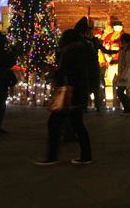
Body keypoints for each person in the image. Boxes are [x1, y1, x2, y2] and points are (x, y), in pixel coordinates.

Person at [35, 29, 92, 165]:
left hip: (69, 94)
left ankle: (52, 156)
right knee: (78, 125)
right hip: (78, 94)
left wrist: (55, 74)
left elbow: (66, 72)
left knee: (54, 124)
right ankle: (86, 155)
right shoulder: (82, 50)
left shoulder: (69, 52)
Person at [74, 17, 116, 112]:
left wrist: (115, 51)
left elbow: (104, 49)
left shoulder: (94, 41)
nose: (90, 34)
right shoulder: (81, 42)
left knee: (96, 88)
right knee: (85, 88)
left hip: (94, 67)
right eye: (88, 32)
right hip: (85, 67)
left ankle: (98, 106)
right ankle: (84, 106)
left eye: (91, 32)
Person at [114, 33, 130, 115]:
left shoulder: (129, 50)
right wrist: (115, 61)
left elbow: (128, 64)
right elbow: (121, 60)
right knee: (119, 92)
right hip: (122, 73)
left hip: (125, 74)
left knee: (119, 92)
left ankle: (128, 108)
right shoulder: (123, 49)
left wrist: (124, 76)